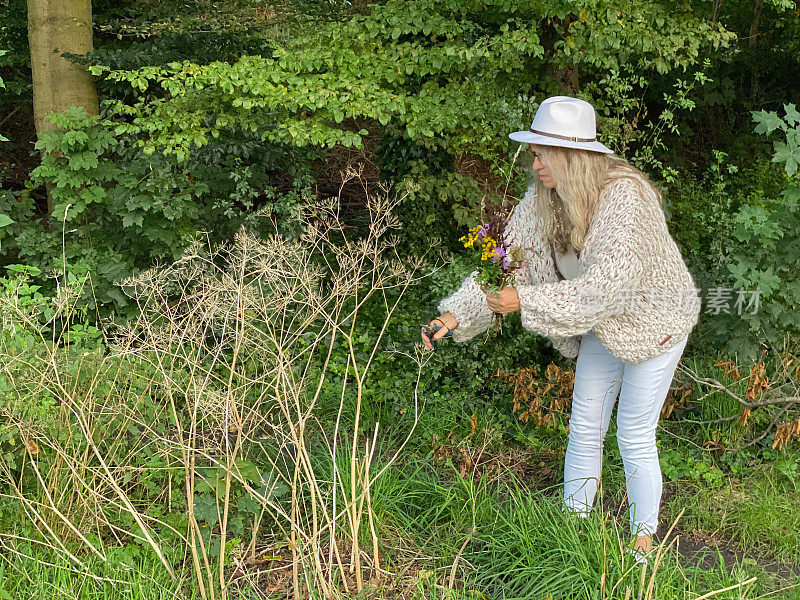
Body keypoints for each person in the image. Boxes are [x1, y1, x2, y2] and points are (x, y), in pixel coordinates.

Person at [422, 96, 702, 562]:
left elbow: (604, 289)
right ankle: (572, 528)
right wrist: (453, 317)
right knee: (584, 426)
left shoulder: (625, 198)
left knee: (633, 432)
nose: (534, 163)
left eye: (541, 154)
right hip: (600, 324)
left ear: (571, 156)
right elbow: (505, 264)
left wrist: (525, 300)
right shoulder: (543, 199)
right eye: (533, 153)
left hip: (656, 322)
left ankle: (643, 542)